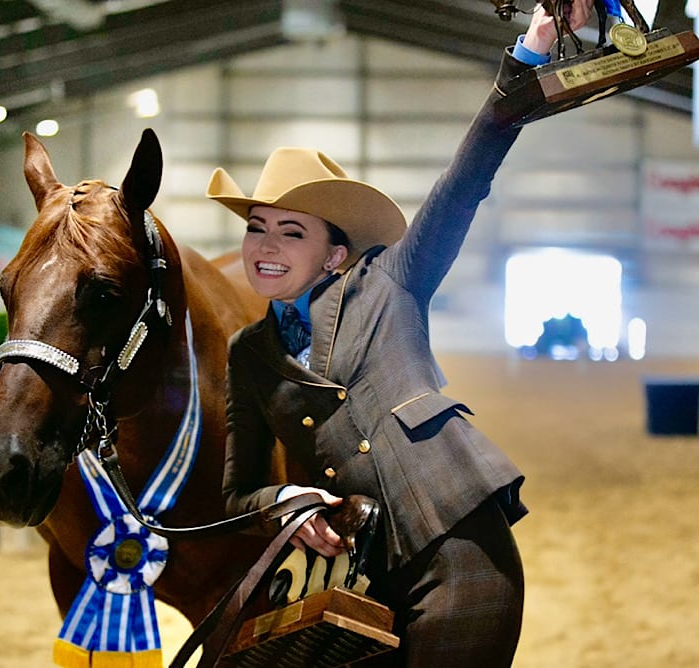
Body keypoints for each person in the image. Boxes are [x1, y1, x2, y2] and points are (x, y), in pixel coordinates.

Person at [206, 2, 594, 666]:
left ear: (335, 254)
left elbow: (463, 183)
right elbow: (238, 491)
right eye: (256, 228)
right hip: (365, 585)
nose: (265, 247)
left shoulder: (390, 283)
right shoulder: (249, 354)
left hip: (461, 556)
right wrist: (288, 499)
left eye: (290, 231)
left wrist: (527, 55)